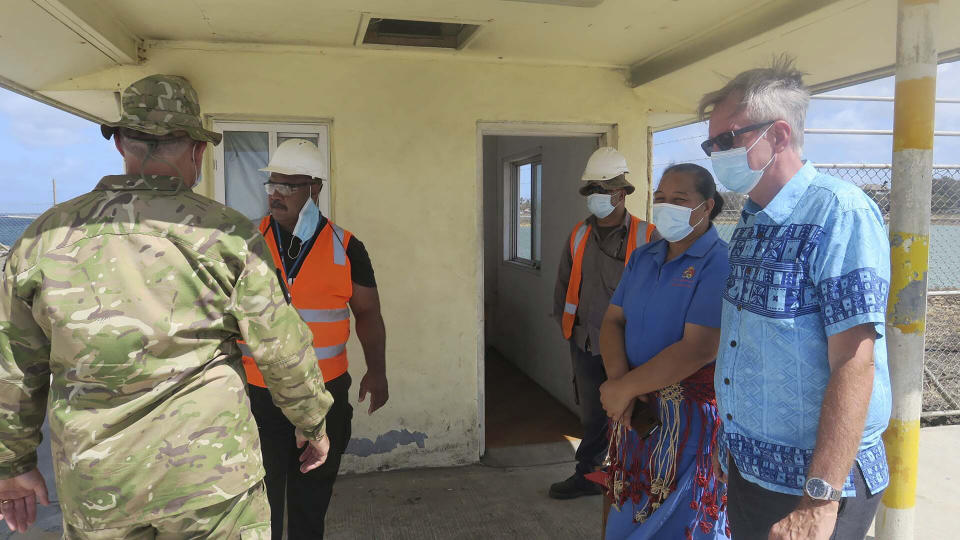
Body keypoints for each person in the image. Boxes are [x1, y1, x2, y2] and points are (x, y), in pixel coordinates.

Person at [0, 75, 334, 538]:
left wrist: (12, 462)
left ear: (120, 143)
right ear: (197, 150)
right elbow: (281, 347)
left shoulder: (43, 238)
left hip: (101, 485)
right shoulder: (228, 234)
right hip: (211, 483)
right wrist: (311, 422)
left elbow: (14, 367)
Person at [699, 57, 891, 540]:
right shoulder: (750, 223)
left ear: (779, 136)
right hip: (751, 470)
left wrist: (819, 500)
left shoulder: (839, 212)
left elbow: (854, 362)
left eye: (726, 140)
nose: (715, 153)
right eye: (710, 143)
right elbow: (746, 342)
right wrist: (733, 446)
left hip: (816, 487)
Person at [241, 139, 388, 539]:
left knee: (310, 500)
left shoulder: (346, 247)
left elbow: (369, 314)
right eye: (272, 184)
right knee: (259, 504)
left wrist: (378, 372)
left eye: (289, 186)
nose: (276, 194)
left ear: (314, 189)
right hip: (259, 394)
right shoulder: (245, 243)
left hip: (325, 395)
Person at [598, 164, 730, 539]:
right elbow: (612, 322)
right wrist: (619, 385)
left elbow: (699, 347)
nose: (665, 206)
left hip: (684, 425)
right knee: (628, 509)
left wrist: (623, 390)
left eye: (679, 199)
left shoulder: (718, 262)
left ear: (706, 207)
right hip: (634, 415)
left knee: (681, 522)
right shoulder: (644, 257)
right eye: (659, 199)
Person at [551, 147, 657, 500]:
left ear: (621, 193)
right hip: (584, 341)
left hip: (632, 345)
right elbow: (565, 284)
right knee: (593, 415)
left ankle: (640, 478)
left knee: (636, 411)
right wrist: (566, 327)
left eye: (603, 189)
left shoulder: (649, 237)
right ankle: (589, 475)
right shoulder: (579, 234)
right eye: (591, 190)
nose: (595, 197)